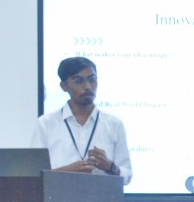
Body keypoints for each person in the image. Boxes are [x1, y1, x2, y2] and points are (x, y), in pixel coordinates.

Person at [30, 56, 132, 185]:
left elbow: (127, 175)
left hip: (101, 196)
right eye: (79, 81)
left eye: (92, 80)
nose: (88, 86)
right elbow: (34, 176)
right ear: (64, 86)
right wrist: (67, 172)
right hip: (59, 196)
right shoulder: (46, 124)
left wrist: (110, 167)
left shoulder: (114, 124)